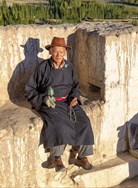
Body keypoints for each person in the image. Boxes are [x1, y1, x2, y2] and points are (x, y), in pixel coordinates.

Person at [25, 37, 94, 172]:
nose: (58, 55)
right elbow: (30, 89)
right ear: (50, 51)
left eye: (61, 52)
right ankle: (55, 158)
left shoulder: (69, 67)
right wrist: (43, 99)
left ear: (65, 53)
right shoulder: (42, 68)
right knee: (59, 124)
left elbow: (75, 86)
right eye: (55, 51)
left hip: (68, 102)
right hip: (50, 103)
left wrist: (74, 97)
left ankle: (82, 157)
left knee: (84, 122)